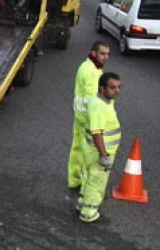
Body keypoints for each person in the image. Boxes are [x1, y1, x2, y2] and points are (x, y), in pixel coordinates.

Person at [77, 72, 122, 224]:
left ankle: (82, 204)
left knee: (90, 179)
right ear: (102, 88)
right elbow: (97, 134)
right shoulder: (99, 107)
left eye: (118, 87)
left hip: (92, 149)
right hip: (98, 152)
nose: (117, 91)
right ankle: (89, 213)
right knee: (97, 182)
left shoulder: (102, 101)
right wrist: (104, 155)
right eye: (112, 88)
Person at [68, 41, 110, 193]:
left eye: (107, 54)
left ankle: (74, 180)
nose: (106, 57)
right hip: (88, 121)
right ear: (94, 53)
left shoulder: (87, 66)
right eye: (102, 53)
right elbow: (93, 101)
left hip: (80, 117)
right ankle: (86, 188)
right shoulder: (92, 72)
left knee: (77, 149)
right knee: (89, 156)